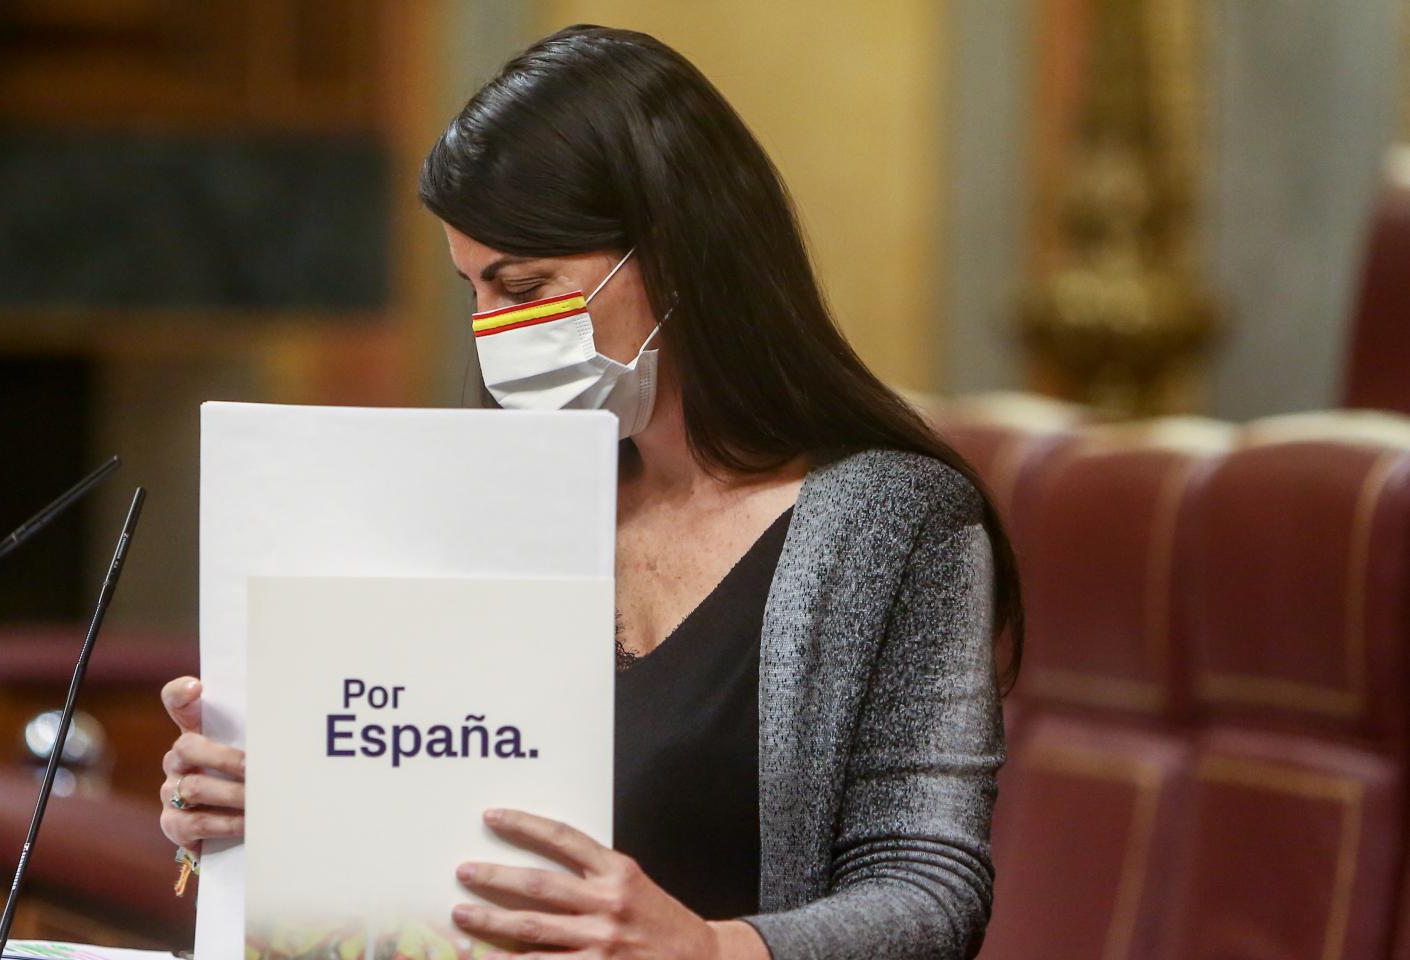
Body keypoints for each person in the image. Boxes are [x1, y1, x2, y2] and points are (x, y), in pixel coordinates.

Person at [158, 23, 1021, 960]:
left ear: (679, 255)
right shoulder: (488, 499)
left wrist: (710, 949)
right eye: (475, 291)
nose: (492, 334)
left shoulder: (896, 523)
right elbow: (428, 824)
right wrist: (280, 804)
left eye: (525, 286)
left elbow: (929, 896)